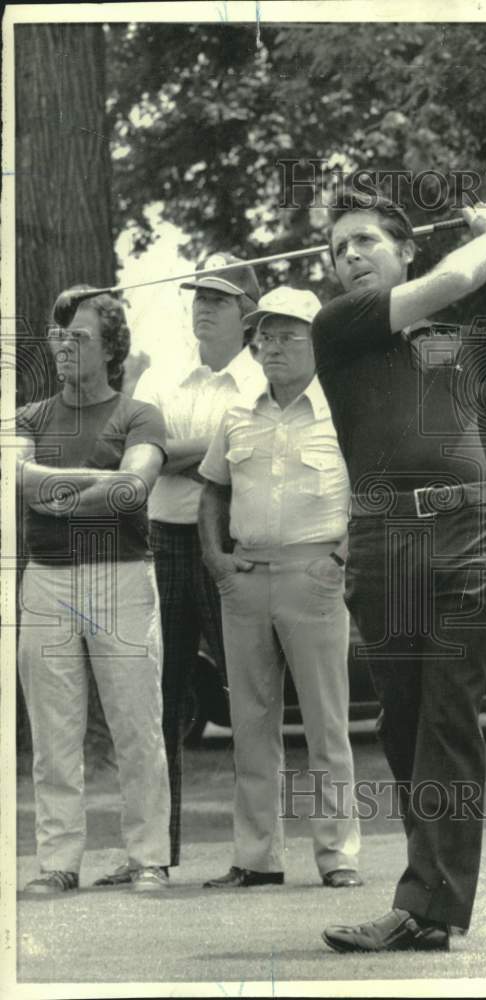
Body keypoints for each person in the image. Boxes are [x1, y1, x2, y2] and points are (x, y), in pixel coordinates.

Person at [312, 191, 486, 951]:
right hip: (383, 541)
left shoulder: (456, 346)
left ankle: (426, 905)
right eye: (339, 250)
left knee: (447, 723)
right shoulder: (339, 328)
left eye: (365, 241)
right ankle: (429, 900)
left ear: (405, 249)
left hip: (466, 533)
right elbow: (455, 279)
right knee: (403, 728)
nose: (350, 257)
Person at [96, 254, 267, 883]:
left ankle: (255, 855)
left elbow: (249, 451)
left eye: (218, 299)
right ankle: (153, 856)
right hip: (164, 541)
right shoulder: (168, 375)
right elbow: (131, 451)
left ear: (247, 316)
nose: (203, 306)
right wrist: (208, 445)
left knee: (249, 697)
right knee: (158, 701)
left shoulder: (262, 379)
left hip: (232, 538)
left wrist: (171, 450)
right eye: (199, 296)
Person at [198, 286, 362, 890]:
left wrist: (340, 558)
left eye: (287, 335)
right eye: (263, 335)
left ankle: (337, 855)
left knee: (327, 725)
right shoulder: (237, 413)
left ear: (317, 341)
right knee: (250, 725)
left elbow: (370, 490)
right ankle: (257, 857)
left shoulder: (345, 409)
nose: (271, 347)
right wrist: (215, 558)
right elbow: (213, 488)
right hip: (244, 579)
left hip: (315, 577)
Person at [16, 289, 171, 894]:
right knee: (53, 732)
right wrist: (96, 483)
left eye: (78, 336)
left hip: (122, 576)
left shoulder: (139, 415)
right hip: (47, 579)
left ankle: (148, 857)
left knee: (137, 725)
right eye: (59, 335)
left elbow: (134, 489)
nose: (62, 345)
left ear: (112, 349)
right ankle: (58, 862)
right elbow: (17, 484)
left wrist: (54, 491)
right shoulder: (29, 416)